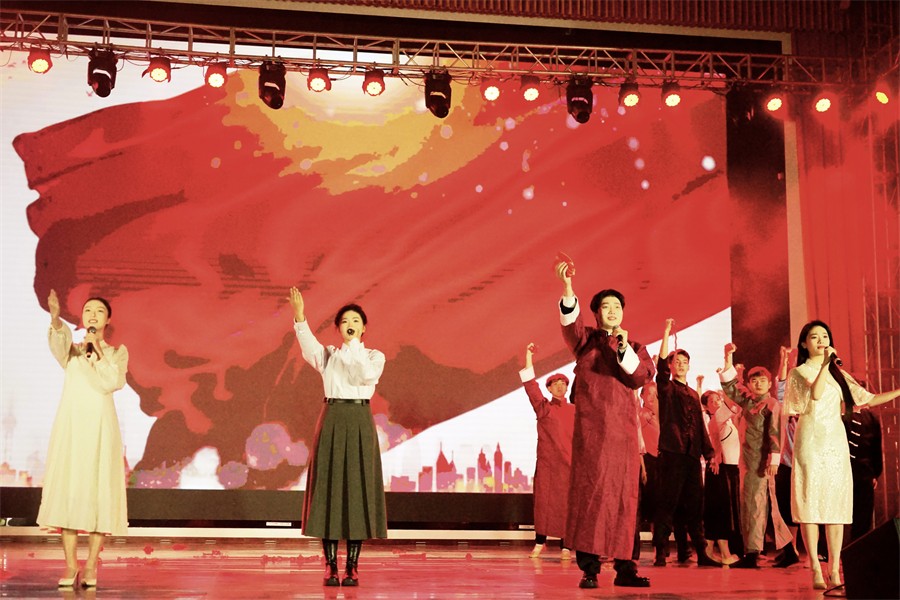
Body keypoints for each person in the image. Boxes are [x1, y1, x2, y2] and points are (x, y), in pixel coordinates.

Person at [554, 259, 654, 589]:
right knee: (591, 498)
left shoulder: (635, 347)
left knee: (626, 501)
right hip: (592, 435)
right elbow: (570, 324)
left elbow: (639, 377)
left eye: (617, 307)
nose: (612, 311)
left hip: (623, 438)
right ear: (596, 313)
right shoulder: (585, 342)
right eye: (606, 306)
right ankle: (590, 569)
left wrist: (623, 348)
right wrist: (568, 288)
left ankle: (626, 568)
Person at [784, 320, 900, 590]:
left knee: (836, 507)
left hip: (835, 443)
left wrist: (898, 391)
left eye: (825, 336)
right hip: (810, 442)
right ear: (804, 344)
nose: (821, 341)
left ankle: (835, 568)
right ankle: (815, 566)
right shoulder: (799, 372)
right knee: (810, 505)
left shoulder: (839, 374)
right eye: (815, 337)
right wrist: (826, 364)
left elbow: (867, 399)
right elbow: (815, 395)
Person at [289, 287, 387, 587]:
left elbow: (364, 375)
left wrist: (354, 345)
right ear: (338, 328)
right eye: (345, 321)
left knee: (357, 491)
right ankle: (331, 566)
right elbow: (308, 346)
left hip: (359, 420)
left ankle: (352, 567)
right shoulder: (328, 355)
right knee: (329, 491)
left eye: (355, 321)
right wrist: (300, 317)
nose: (350, 324)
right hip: (332, 418)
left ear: (363, 327)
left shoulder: (374, 356)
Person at [37, 290, 130, 589]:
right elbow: (57, 342)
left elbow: (112, 382)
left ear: (108, 320)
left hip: (101, 429)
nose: (92, 314)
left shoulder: (116, 353)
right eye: (88, 310)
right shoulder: (72, 352)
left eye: (99, 311)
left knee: (98, 492)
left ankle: (91, 565)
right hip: (73, 428)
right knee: (70, 491)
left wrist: (97, 351)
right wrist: (55, 318)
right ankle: (70, 564)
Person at [652, 318, 721, 568]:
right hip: (672, 453)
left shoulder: (693, 394)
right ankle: (661, 552)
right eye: (676, 362)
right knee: (667, 504)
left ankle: (701, 552)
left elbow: (700, 426)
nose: (681, 365)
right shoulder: (667, 388)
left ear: (689, 366)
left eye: (684, 362)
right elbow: (660, 369)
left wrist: (709, 453)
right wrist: (666, 332)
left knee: (695, 506)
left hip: (692, 456)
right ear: (671, 366)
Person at [718, 344, 792, 568]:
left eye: (762, 380)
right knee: (762, 507)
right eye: (754, 380)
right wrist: (728, 357)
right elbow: (731, 388)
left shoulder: (771, 404)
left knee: (756, 506)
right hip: (748, 462)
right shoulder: (749, 401)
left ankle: (752, 554)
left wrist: (774, 459)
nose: (758, 384)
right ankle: (789, 551)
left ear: (770, 384)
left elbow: (775, 433)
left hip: (761, 463)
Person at [519, 343, 576, 560]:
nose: (560, 387)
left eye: (563, 384)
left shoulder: (575, 410)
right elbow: (531, 387)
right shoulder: (544, 408)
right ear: (549, 389)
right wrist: (529, 357)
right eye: (555, 384)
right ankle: (540, 542)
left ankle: (566, 545)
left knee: (566, 505)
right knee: (543, 504)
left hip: (569, 464)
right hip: (547, 464)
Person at [700, 390, 741, 565]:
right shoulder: (717, 418)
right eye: (712, 401)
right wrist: (730, 386)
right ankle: (725, 553)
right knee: (721, 511)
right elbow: (733, 403)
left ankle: (709, 549)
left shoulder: (725, 419)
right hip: (720, 469)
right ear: (706, 406)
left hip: (728, 468)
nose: (717, 402)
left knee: (717, 511)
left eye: (718, 399)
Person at [842, 398, 883, 542]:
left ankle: (856, 549)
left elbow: (876, 447)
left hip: (862, 474)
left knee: (862, 517)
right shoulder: (840, 415)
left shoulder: (871, 418)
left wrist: (875, 473)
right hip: (843, 472)